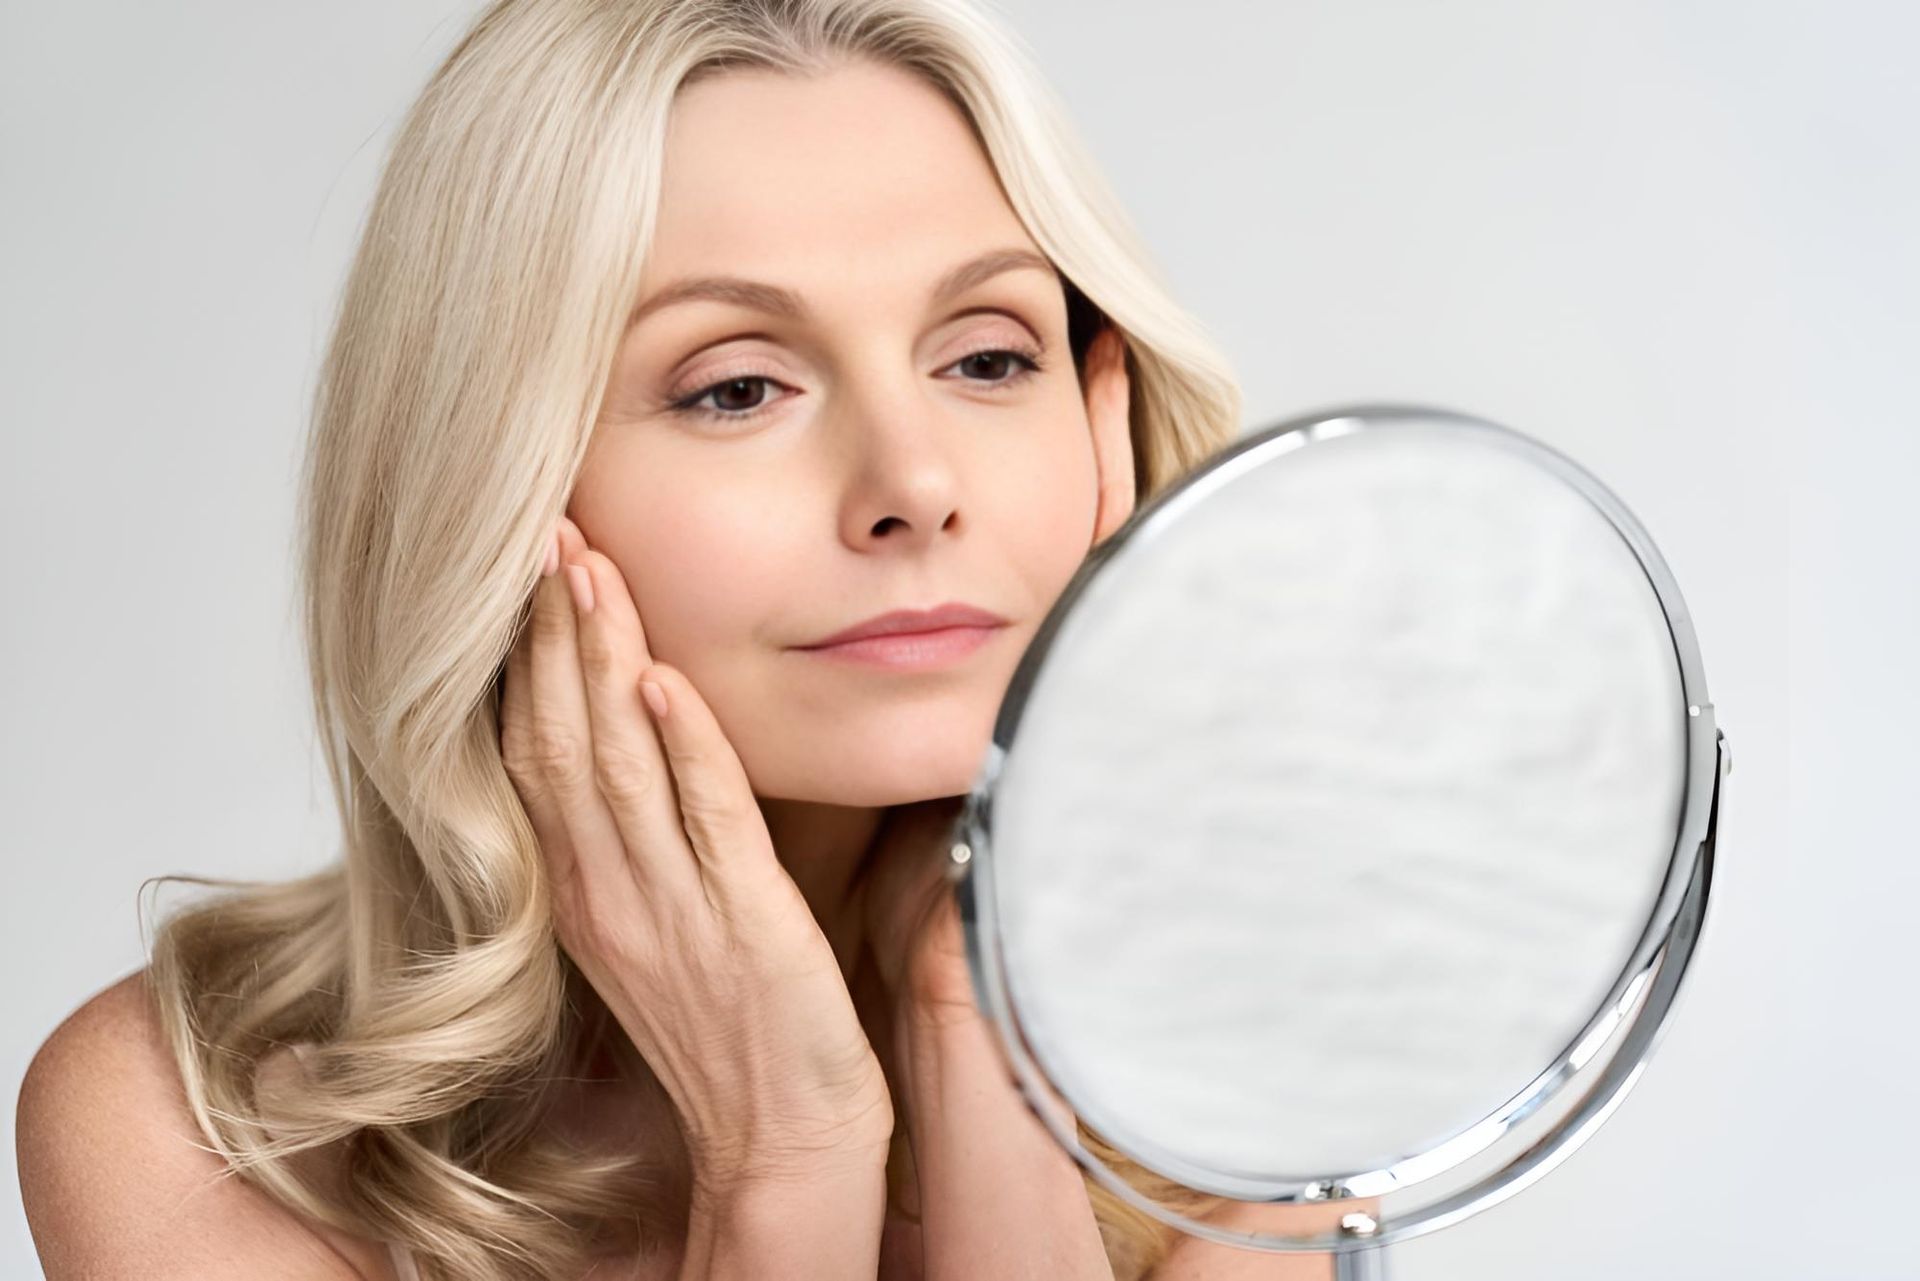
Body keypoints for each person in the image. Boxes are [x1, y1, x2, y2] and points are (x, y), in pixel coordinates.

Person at [15, 0, 1367, 1276]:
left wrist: (975, 1028)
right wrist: (783, 1153)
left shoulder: (1254, 1082)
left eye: (989, 358)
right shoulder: (203, 1123)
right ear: (496, 484)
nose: (915, 480)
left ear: (1100, 424)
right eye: (736, 386)